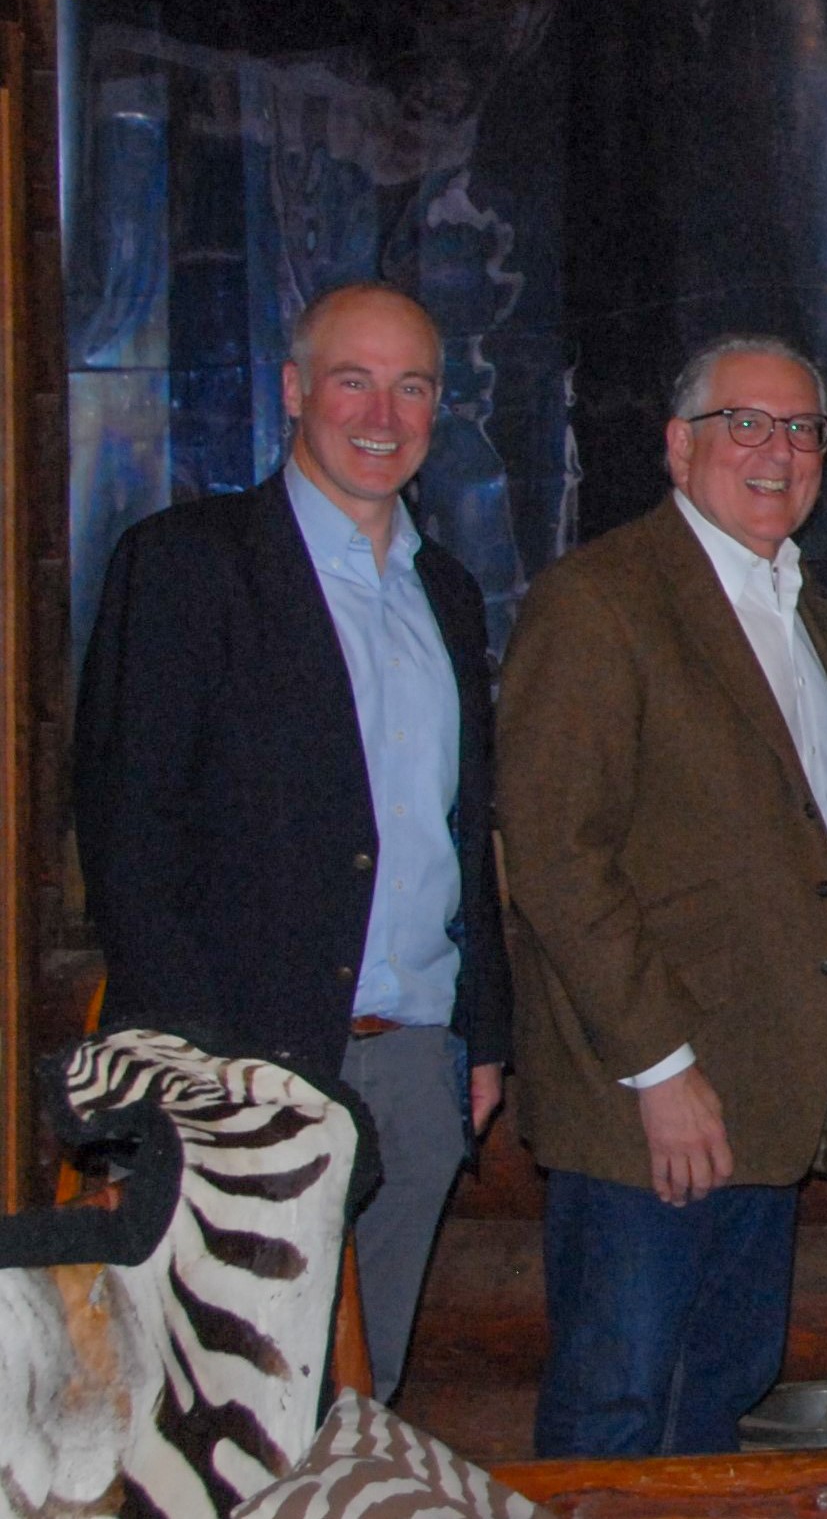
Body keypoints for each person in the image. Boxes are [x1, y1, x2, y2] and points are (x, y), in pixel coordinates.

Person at [71, 281, 510, 1402]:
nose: (383, 410)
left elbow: (463, 832)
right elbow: (129, 834)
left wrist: (482, 1041)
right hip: (245, 1074)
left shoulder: (446, 595)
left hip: (415, 1067)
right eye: (353, 378)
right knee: (229, 1417)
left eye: (411, 384)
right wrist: (203, 1072)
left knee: (359, 1413)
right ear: (293, 393)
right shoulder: (188, 564)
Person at [499, 335, 827, 1457]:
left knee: (716, 1401)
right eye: (746, 425)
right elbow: (557, 856)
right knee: (615, 1407)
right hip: (649, 1107)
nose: (778, 451)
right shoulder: (599, 602)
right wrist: (662, 1070)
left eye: (803, 429)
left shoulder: (813, 604)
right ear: (679, 447)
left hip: (767, 1094)